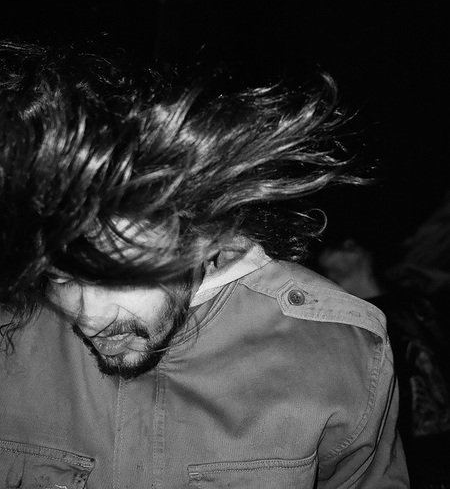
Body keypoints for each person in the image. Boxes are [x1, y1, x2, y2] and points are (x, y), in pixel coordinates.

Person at [0, 39, 408, 488]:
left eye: (123, 274)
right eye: (59, 277)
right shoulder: (11, 333)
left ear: (204, 234)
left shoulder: (342, 350)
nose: (90, 316)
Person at [317, 233, 450, 488]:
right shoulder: (337, 320)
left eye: (347, 245)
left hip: (436, 439)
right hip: (389, 444)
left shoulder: (414, 303)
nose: (334, 253)